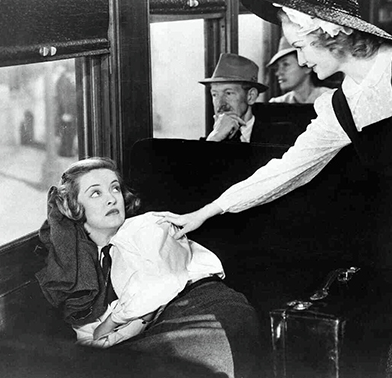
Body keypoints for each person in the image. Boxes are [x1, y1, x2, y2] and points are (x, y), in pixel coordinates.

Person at [155, 0, 392, 377]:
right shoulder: (341, 105)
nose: (301, 61)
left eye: (301, 47)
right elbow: (286, 170)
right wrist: (208, 210)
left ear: (331, 32)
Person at [35, 157, 259, 377]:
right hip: (166, 324)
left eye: (115, 188)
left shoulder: (149, 226)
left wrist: (111, 323)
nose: (111, 199)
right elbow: (90, 338)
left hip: (209, 308)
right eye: (96, 193)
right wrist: (110, 335)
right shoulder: (86, 265)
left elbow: (158, 287)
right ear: (74, 207)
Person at [201, 53, 268, 143]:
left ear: (251, 96)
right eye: (215, 95)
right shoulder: (210, 140)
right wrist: (214, 138)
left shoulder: (279, 136)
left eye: (228, 93)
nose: (220, 103)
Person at [267, 36, 334, 103]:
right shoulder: (277, 104)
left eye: (285, 64)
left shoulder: (331, 99)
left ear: (307, 67)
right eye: (277, 67)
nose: (278, 73)